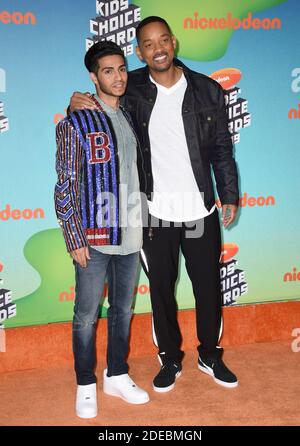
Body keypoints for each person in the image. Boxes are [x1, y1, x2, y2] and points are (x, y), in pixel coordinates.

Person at [69, 16, 240, 393]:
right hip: (155, 213)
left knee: (208, 288)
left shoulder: (208, 90)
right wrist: (75, 103)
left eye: (163, 40)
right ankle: (170, 358)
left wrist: (229, 192)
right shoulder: (131, 92)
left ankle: (210, 354)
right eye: (148, 43)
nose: (157, 48)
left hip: (201, 210)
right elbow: (98, 109)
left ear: (173, 42)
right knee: (161, 290)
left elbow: (222, 149)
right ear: (139, 51)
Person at [55, 40, 149, 419]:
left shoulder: (130, 115)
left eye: (122, 68)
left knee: (123, 310)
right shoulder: (76, 122)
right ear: (94, 77)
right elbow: (65, 183)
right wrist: (74, 237)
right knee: (86, 314)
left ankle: (117, 374)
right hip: (93, 238)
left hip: (131, 232)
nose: (118, 76)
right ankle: (85, 383)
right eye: (108, 71)